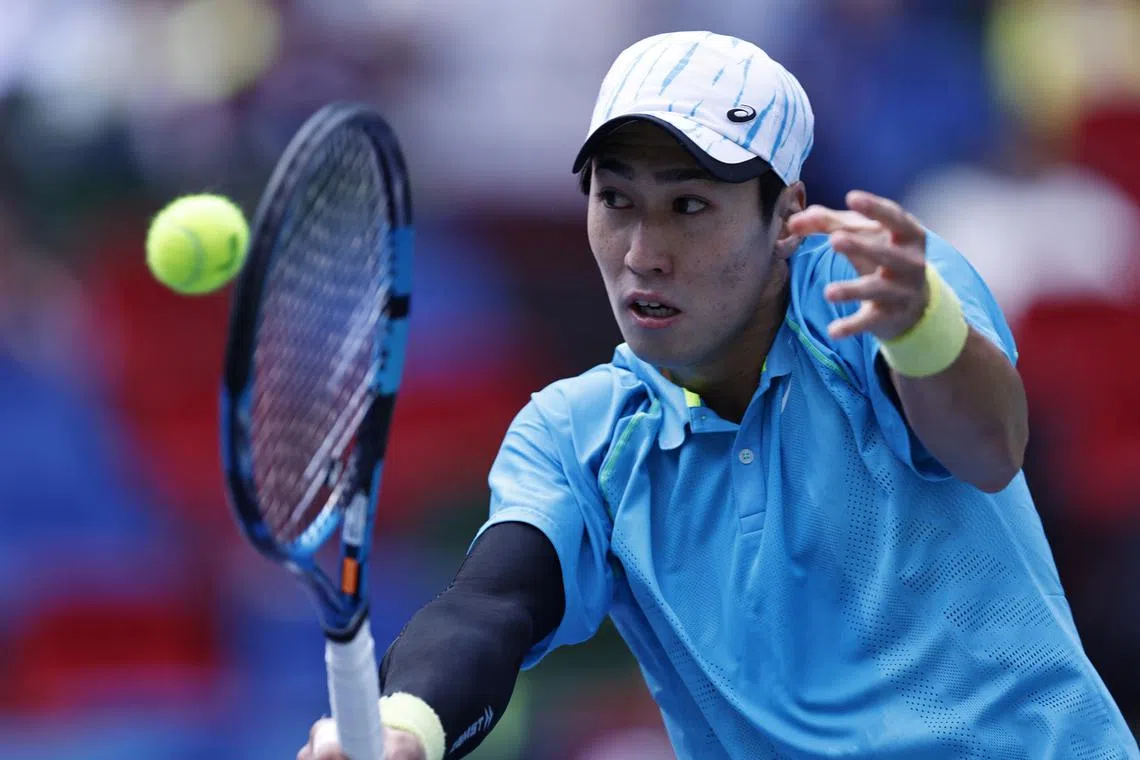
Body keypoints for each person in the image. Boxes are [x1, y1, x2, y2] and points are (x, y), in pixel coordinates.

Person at [300, 31, 1140, 759]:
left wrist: (922, 328)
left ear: (787, 215)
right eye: (616, 199)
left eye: (689, 206)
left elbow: (990, 448)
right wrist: (405, 729)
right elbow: (492, 608)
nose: (642, 252)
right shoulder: (576, 436)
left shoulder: (871, 293)